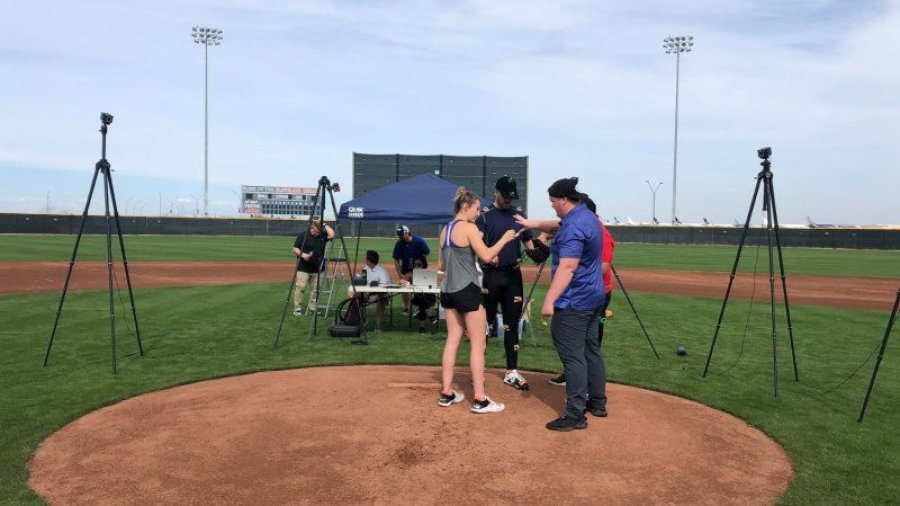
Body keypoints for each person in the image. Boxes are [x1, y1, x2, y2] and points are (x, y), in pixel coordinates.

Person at [518, 177, 605, 431]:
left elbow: (567, 267)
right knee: (590, 350)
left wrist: (549, 301)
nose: (552, 205)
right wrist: (530, 223)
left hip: (574, 300)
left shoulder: (573, 229)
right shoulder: (586, 216)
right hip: (594, 296)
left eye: (553, 201)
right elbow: (556, 223)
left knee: (572, 357)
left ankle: (576, 414)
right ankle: (597, 401)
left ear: (563, 199)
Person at [438, 186, 518, 414]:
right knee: (478, 343)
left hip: (449, 290)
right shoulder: (470, 228)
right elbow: (486, 255)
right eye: (476, 209)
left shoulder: (445, 230)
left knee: (452, 340)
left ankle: (447, 392)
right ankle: (480, 399)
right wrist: (504, 239)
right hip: (468, 289)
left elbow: (442, 265)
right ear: (466, 206)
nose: (478, 213)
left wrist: (471, 254)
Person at [475, 175, 548, 391]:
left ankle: (512, 372)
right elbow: (477, 245)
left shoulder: (519, 216)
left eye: (511, 197)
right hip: (491, 276)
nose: (508, 200)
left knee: (512, 325)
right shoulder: (485, 216)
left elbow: (530, 246)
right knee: (484, 326)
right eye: (505, 196)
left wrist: (541, 247)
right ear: (496, 191)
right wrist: (485, 256)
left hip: (513, 277)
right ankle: (479, 371)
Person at [549, 195, 615, 386]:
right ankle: (589, 390)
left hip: (589, 294)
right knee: (584, 347)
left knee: (585, 347)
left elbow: (603, 266)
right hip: (587, 291)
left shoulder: (599, 232)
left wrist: (571, 263)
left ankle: (583, 388)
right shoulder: (584, 226)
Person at [292, 217, 335, 316]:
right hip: (303, 267)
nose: (316, 234)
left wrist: (324, 224)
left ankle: (312, 307)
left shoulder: (323, 235)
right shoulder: (303, 235)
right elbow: (295, 249)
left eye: (318, 232)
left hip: (318, 268)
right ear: (312, 228)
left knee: (316, 290)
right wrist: (303, 255)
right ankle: (297, 308)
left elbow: (332, 235)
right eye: (315, 232)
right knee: (301, 287)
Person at [392, 225, 430, 313]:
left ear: (407, 232)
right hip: (405, 270)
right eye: (399, 235)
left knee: (420, 289)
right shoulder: (399, 243)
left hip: (419, 270)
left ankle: (420, 307)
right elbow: (396, 259)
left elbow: (427, 252)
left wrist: (420, 260)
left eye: (401, 234)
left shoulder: (419, 241)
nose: (400, 237)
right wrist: (400, 274)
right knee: (404, 287)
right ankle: (407, 307)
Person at [352, 250, 391, 330]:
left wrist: (369, 293)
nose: (365, 259)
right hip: (368, 294)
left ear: (369, 261)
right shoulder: (365, 269)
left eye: (366, 258)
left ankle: (378, 324)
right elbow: (363, 283)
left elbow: (383, 288)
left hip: (382, 295)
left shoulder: (382, 271)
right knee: (354, 294)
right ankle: (356, 320)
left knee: (381, 297)